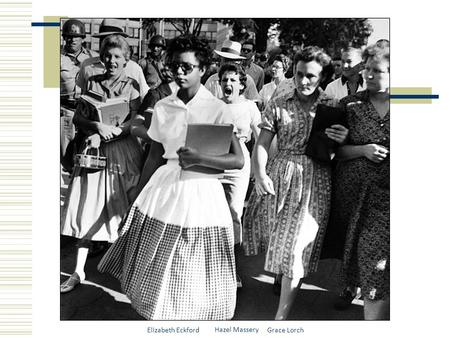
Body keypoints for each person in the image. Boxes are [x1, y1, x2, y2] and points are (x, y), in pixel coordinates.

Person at [97, 35, 244, 320]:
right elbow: (154, 155)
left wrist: (201, 158)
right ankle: (159, 312)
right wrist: (136, 198)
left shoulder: (217, 108)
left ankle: (193, 316)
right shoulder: (164, 106)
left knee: (194, 259)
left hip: (202, 191)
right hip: (165, 189)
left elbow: (237, 160)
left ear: (202, 69)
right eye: (176, 66)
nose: (179, 72)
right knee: (160, 257)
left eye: (187, 67)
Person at [242, 46, 348, 320]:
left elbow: (340, 149)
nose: (303, 81)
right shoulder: (279, 103)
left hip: (316, 182)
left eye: (311, 76)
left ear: (322, 76)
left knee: (297, 247)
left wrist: (342, 136)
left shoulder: (332, 107)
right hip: (281, 176)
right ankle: (282, 277)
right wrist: (261, 173)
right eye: (299, 74)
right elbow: (262, 144)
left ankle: (280, 319)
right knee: (281, 240)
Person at [60, 35, 143, 293]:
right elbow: (78, 121)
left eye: (118, 56)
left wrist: (116, 131)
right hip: (94, 152)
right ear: (101, 57)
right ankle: (78, 270)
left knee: (126, 206)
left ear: (126, 59)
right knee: (88, 206)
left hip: (122, 151)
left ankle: (128, 270)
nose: (112, 60)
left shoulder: (131, 86)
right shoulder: (92, 82)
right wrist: (96, 126)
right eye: (108, 55)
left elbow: (137, 121)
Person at [331, 44, 390, 320]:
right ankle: (356, 293)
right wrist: (363, 149)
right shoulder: (350, 104)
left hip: (391, 194)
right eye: (366, 68)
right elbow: (335, 153)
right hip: (357, 192)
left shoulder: (414, 98)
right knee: (365, 249)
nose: (368, 74)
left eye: (376, 71)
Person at [218, 63, 261, 288]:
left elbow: (261, 139)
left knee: (234, 214)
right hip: (215, 161)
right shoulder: (214, 106)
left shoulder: (249, 107)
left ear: (242, 84)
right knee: (213, 214)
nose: (228, 84)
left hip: (238, 164)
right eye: (225, 80)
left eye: (233, 80)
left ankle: (232, 270)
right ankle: (211, 267)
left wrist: (257, 168)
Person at [77, 19, 149, 99]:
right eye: (104, 39)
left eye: (114, 38)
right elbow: (82, 96)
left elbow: (144, 97)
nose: (109, 42)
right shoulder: (87, 65)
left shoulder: (134, 68)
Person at [60, 19, 98, 170]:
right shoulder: (55, 57)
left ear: (83, 38)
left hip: (88, 112)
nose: (72, 39)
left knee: (87, 153)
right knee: (65, 155)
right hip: (66, 110)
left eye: (76, 36)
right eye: (68, 36)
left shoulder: (93, 58)